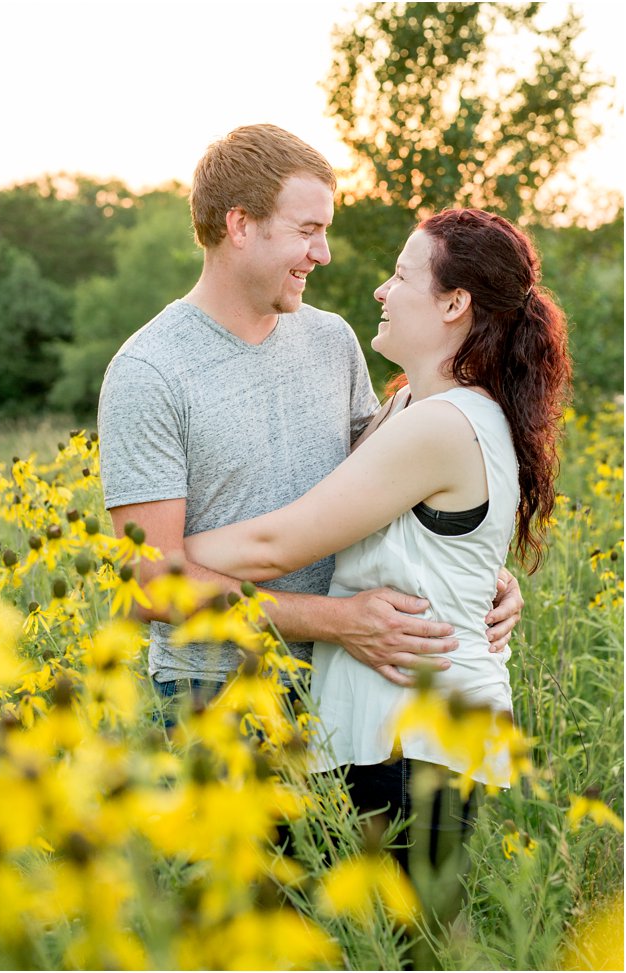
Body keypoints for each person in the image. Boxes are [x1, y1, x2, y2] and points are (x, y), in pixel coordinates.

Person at [184, 207, 570, 910]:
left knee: (404, 951)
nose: (380, 291)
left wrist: (160, 558)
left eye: (400, 275)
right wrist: (488, 575)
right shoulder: (406, 409)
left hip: (417, 738)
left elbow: (281, 542)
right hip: (381, 730)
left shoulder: (445, 424)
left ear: (455, 303)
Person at [96, 124, 523, 714]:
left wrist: (477, 570)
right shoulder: (149, 370)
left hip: (348, 678)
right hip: (217, 690)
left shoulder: (332, 339)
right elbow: (148, 584)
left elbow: (388, 489)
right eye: (308, 231)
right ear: (240, 226)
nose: (322, 253)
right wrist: (335, 621)